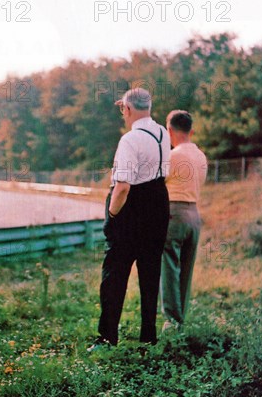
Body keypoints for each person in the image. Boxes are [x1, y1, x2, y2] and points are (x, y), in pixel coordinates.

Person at [88, 88, 170, 351]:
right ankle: (148, 337)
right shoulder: (162, 133)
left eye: (122, 109)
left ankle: (107, 338)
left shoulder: (130, 140)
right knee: (150, 273)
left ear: (128, 109)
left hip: (132, 208)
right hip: (158, 202)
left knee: (114, 274)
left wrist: (112, 215)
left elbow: (123, 186)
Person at [160, 110, 207, 330]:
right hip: (194, 214)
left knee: (169, 264)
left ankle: (172, 319)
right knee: (186, 268)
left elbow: (159, 183)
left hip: (174, 212)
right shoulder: (201, 156)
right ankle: (181, 318)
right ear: (192, 130)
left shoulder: (172, 155)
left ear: (169, 130)